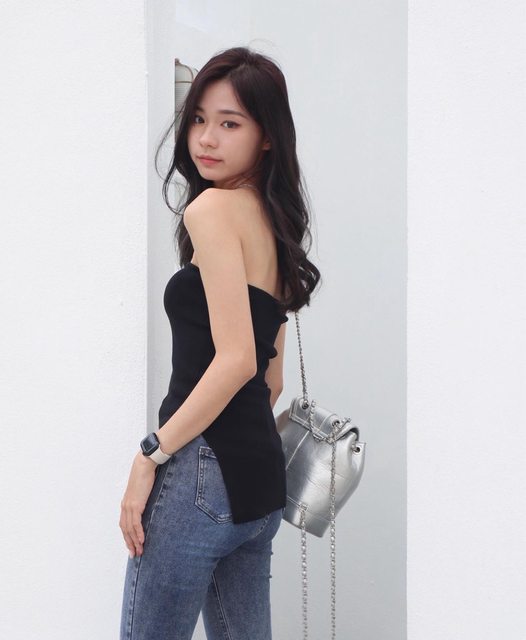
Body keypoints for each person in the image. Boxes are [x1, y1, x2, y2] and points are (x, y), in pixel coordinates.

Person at [118, 45, 320, 640]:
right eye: (200, 119)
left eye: (230, 124)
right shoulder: (276, 224)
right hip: (259, 484)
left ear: (266, 136)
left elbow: (235, 361)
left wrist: (150, 455)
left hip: (199, 477)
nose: (206, 138)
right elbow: (269, 380)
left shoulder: (212, 210)